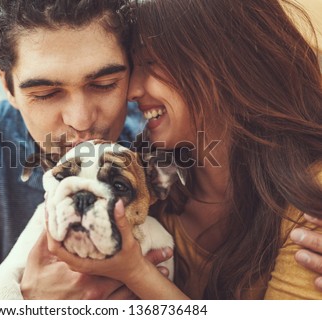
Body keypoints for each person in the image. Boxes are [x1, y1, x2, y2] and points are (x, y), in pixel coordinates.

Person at [48, 0, 322, 299]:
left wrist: (136, 272)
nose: (131, 91)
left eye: (150, 64)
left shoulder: (309, 195)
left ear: (227, 64)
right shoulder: (142, 184)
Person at [0, 0, 171, 300]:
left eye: (104, 84)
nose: (80, 119)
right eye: (46, 93)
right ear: (8, 86)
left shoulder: (160, 139)